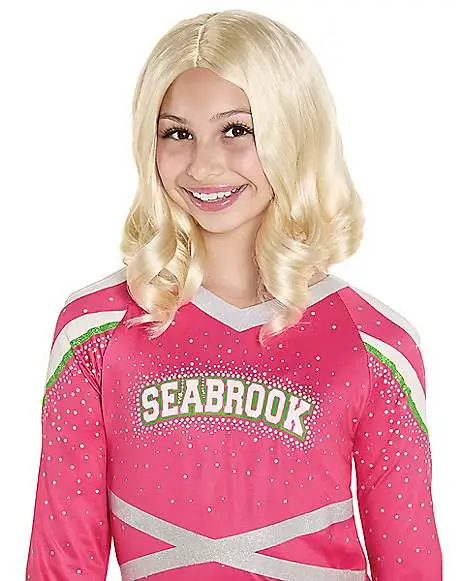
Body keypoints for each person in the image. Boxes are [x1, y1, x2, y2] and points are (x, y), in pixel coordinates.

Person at [25, 8, 443, 581]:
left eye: (237, 130)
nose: (205, 165)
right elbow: (63, 557)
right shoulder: (95, 332)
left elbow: (411, 560)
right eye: (177, 134)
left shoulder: (374, 346)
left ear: (295, 133)